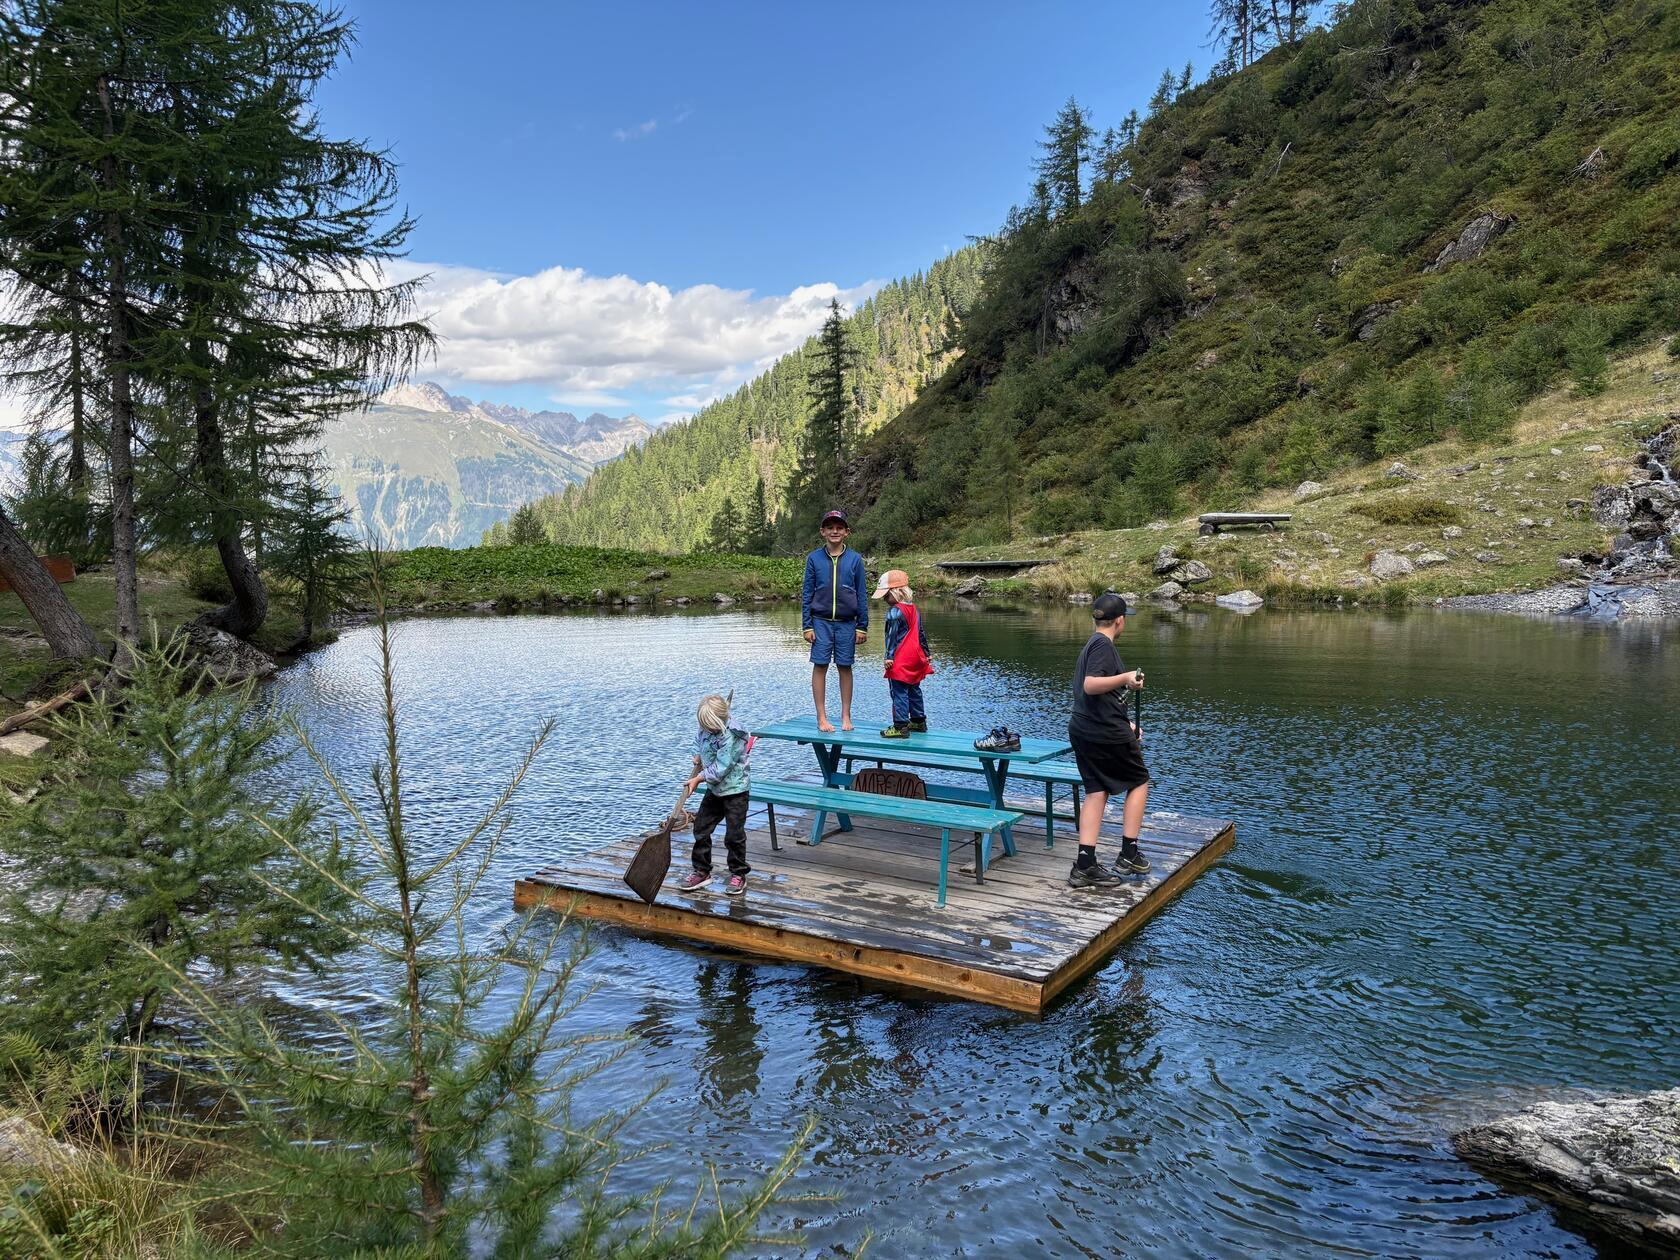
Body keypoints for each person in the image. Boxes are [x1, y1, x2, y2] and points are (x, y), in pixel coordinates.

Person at [1066, 592, 1152, 889]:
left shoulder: (1092, 643)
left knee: (1096, 789)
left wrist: (1124, 720)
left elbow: (1096, 696)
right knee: (1139, 780)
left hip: (1084, 727)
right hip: (1102, 732)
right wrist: (1126, 677)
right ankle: (1129, 853)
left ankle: (1085, 864)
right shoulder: (1103, 646)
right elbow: (1091, 685)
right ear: (1120, 620)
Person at [801, 508, 868, 732]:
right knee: (820, 666)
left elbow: (862, 594)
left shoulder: (855, 560)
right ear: (823, 531)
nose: (835, 531)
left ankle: (846, 717)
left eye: (839, 528)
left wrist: (862, 626)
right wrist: (807, 625)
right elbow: (807, 593)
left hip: (848, 623)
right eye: (830, 527)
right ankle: (821, 718)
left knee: (845, 667)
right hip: (819, 621)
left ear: (846, 532)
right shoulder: (814, 559)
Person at [679, 693, 753, 896]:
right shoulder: (706, 728)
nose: (707, 730)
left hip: (735, 791)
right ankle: (702, 871)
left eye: (710, 727)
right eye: (704, 726)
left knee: (734, 835)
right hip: (715, 790)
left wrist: (697, 779)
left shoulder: (732, 736)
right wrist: (698, 755)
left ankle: (739, 874)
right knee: (701, 827)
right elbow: (699, 741)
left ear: (720, 721)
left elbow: (722, 767)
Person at [874, 568, 932, 738]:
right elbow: (920, 633)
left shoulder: (894, 611)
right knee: (914, 689)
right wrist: (927, 653)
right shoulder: (914, 609)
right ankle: (918, 721)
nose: (885, 599)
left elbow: (891, 637)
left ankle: (900, 726)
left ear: (896, 592)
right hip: (916, 657)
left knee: (898, 691)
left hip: (900, 658)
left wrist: (888, 657)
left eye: (886, 595)